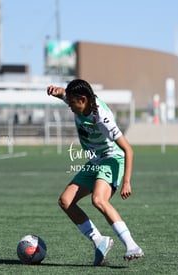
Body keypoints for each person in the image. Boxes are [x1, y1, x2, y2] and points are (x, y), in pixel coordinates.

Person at [47, 79, 144, 266]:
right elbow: (62, 93)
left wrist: (126, 181)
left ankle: (132, 245)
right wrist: (54, 90)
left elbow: (128, 150)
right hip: (95, 160)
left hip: (111, 159)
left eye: (72, 103)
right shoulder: (76, 98)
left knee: (99, 200)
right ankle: (99, 241)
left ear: (83, 100)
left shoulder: (102, 118)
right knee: (65, 201)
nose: (70, 107)